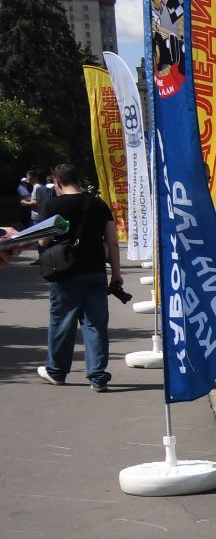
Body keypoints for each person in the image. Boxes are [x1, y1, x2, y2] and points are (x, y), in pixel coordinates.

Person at [35, 164, 123, 393]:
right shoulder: (98, 204)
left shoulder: (53, 205)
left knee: (62, 322)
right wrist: (116, 273)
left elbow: (43, 241)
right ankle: (97, 376)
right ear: (78, 180)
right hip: (95, 271)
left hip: (64, 273)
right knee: (95, 324)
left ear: (57, 183)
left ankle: (56, 371)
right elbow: (112, 241)